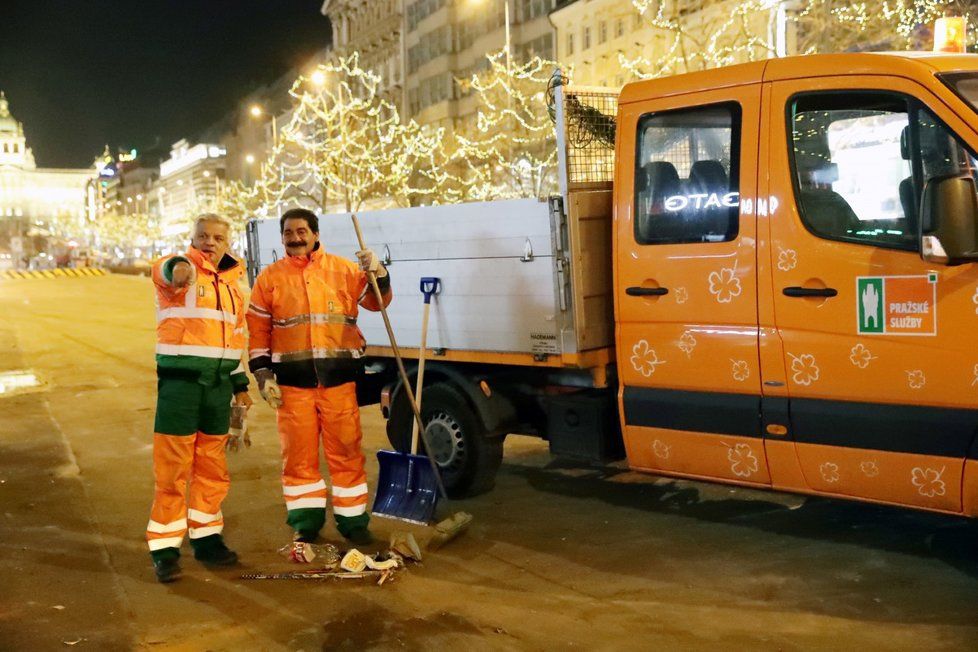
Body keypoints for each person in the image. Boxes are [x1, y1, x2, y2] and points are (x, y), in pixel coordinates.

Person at [246, 207, 391, 545]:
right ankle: (305, 521)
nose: (294, 238)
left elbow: (377, 302)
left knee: (347, 453)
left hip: (338, 381)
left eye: (301, 231)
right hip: (292, 385)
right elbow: (257, 328)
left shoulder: (343, 270)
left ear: (315, 234)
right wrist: (262, 372)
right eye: (288, 233)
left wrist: (379, 273)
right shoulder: (270, 278)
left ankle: (353, 521)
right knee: (298, 458)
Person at [146, 214, 252, 583]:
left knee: (211, 468)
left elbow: (235, 339)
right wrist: (178, 270)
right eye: (203, 236)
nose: (210, 242)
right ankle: (165, 549)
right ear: (192, 239)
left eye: (217, 237)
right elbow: (164, 269)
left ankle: (207, 538)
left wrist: (241, 385)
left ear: (227, 241)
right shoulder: (181, 270)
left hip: (218, 386)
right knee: (172, 470)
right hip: (181, 386)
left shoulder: (234, 287)